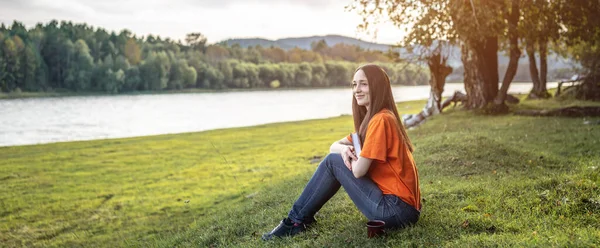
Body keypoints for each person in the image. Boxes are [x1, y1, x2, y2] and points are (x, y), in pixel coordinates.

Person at [262, 64, 421, 240]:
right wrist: (345, 149)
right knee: (334, 157)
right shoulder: (375, 119)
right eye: (354, 85)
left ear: (377, 86)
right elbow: (334, 146)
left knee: (333, 162)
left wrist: (345, 158)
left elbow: (359, 171)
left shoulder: (381, 120)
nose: (357, 90)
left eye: (363, 84)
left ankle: (294, 221)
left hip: (396, 210)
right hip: (403, 209)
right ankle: (298, 219)